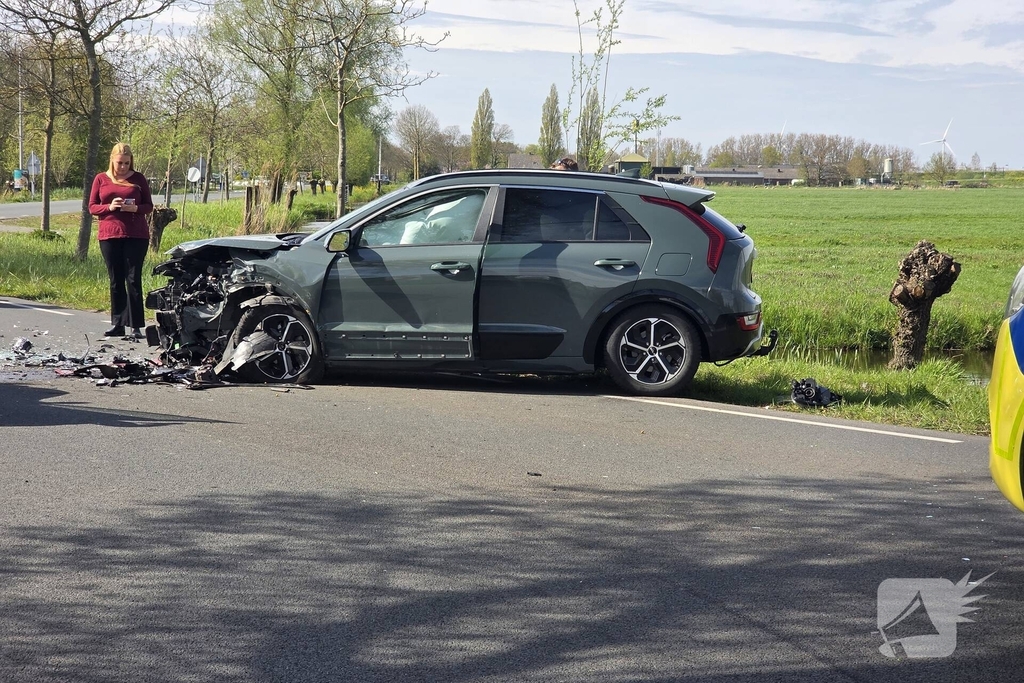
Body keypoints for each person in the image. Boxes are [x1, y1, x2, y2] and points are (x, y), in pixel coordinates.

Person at [89, 142, 154, 339]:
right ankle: (118, 323)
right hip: (109, 235)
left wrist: (135, 208)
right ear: (112, 160)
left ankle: (135, 326)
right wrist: (109, 207)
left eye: (127, 163)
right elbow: (92, 207)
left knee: (133, 279)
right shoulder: (101, 179)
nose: (123, 167)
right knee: (116, 280)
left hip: (136, 235)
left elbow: (148, 206)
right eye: (120, 163)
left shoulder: (138, 179)